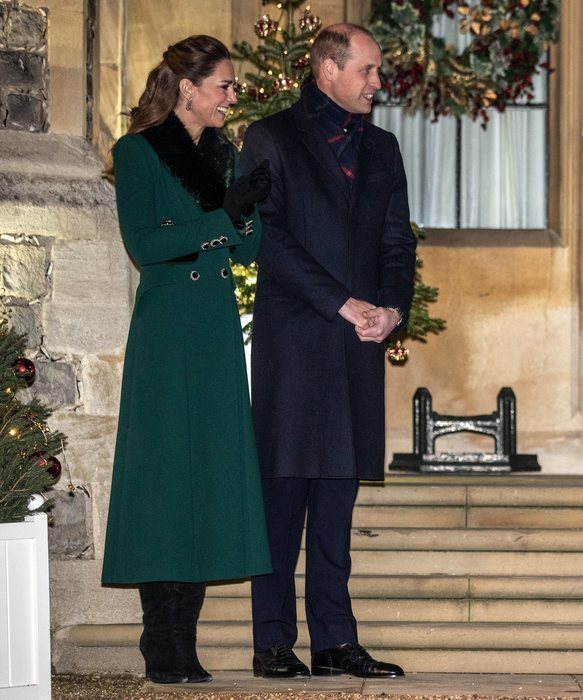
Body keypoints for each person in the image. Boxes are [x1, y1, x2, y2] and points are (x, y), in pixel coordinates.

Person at [240, 23, 416, 680]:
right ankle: (273, 643)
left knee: (338, 505)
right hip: (297, 346)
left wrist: (392, 310)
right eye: (368, 70)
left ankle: (335, 642)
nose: (378, 82)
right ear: (327, 70)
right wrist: (340, 302)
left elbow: (398, 244)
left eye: (377, 71)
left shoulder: (385, 148)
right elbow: (268, 236)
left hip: (358, 349)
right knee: (282, 500)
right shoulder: (270, 137)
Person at [101, 35, 273, 684]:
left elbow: (247, 253)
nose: (233, 96)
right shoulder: (137, 152)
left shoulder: (221, 155)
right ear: (188, 89)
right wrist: (220, 217)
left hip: (213, 334)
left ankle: (185, 638)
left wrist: (247, 210)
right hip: (168, 332)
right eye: (224, 86)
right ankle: (161, 637)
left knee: (205, 476)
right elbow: (145, 242)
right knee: (164, 482)